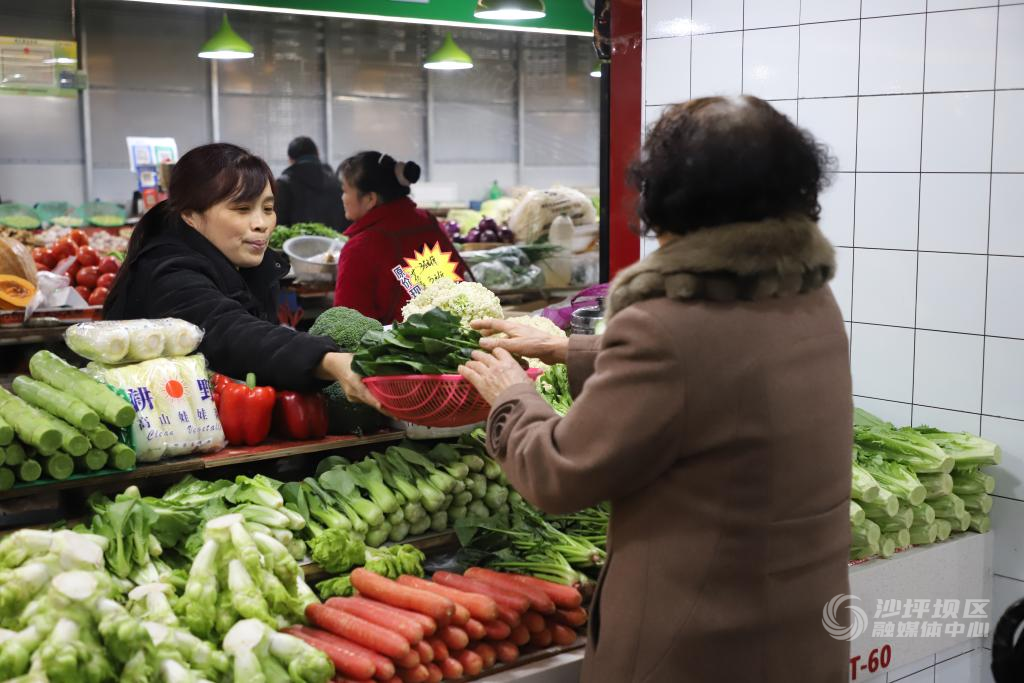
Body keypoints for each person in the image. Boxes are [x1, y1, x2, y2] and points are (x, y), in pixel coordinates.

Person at [458, 96, 853, 682]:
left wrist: (511, 394)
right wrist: (569, 349)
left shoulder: (665, 323)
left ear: (670, 195)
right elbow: (717, 370)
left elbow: (558, 474)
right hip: (800, 637)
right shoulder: (809, 296)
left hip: (696, 648)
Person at [103, 142, 375, 405]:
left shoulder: (244, 264)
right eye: (242, 209)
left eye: (267, 209)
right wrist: (327, 360)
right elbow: (229, 331)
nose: (261, 224)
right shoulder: (167, 272)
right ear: (191, 216)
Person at [333, 151, 469, 324]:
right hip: (455, 333)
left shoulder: (360, 247)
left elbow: (349, 325)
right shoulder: (428, 222)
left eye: (345, 191)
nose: (342, 198)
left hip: (399, 341)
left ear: (370, 199)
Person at [274, 136, 347, 230]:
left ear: (290, 160)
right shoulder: (337, 182)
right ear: (317, 153)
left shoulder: (283, 185)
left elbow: (279, 226)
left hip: (297, 239)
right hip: (336, 239)